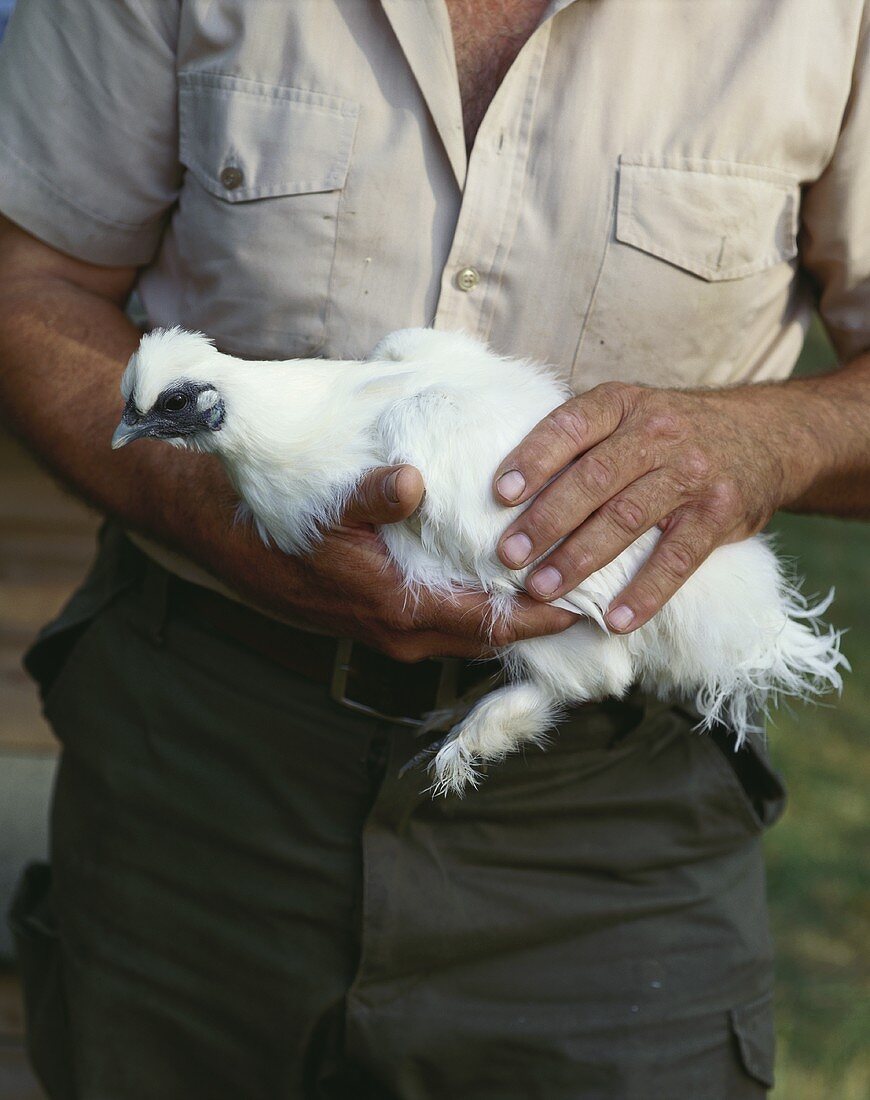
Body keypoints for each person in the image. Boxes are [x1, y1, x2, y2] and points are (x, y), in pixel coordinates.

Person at [0, 1, 867, 1097]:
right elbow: (30, 276)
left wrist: (770, 439)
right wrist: (227, 511)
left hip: (609, 813)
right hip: (203, 769)